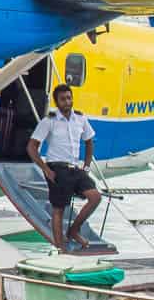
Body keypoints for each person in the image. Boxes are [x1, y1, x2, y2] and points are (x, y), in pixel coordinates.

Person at [28, 83, 102, 251]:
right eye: (63, 99)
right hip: (57, 168)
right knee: (58, 209)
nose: (67, 102)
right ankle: (61, 247)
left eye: (69, 98)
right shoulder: (49, 121)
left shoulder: (80, 119)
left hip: (76, 169)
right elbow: (31, 147)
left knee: (95, 197)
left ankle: (74, 231)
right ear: (57, 102)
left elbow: (89, 141)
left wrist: (87, 166)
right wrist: (45, 169)